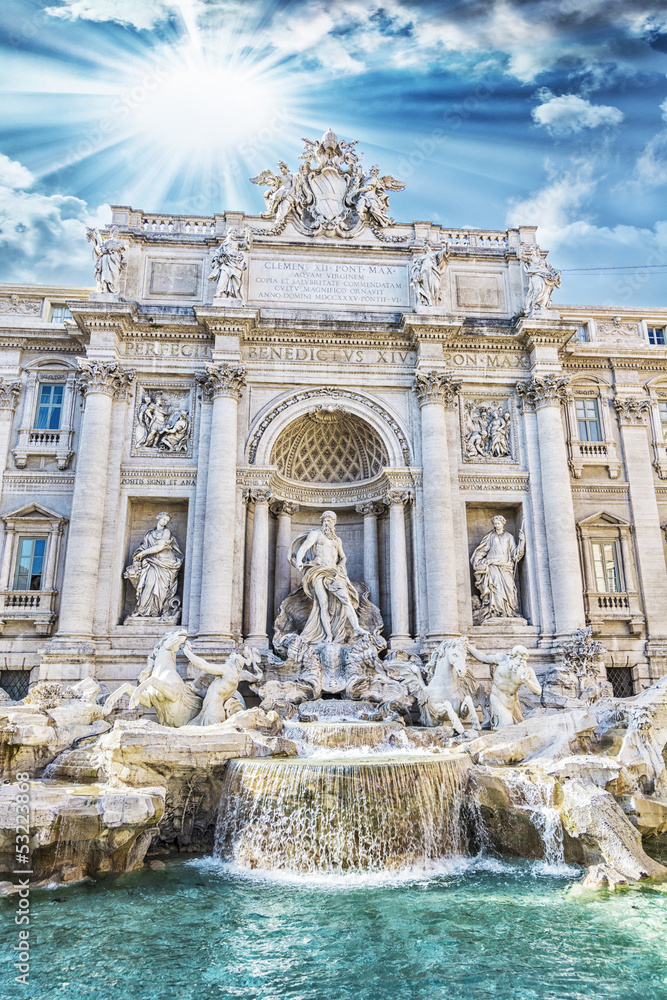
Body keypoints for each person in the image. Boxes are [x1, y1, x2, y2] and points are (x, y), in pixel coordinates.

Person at [291, 510, 366, 644]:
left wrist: (341, 567)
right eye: (325, 519)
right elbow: (304, 547)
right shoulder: (316, 534)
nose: (328, 522)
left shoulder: (337, 540)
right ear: (322, 521)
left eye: (330, 520)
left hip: (333, 572)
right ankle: (328, 635)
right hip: (318, 571)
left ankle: (356, 628)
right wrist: (299, 561)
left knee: (346, 599)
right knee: (323, 603)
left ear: (334, 522)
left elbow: (343, 556)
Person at [124, 512, 183, 620]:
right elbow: (143, 547)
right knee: (149, 583)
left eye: (166, 521)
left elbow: (159, 547)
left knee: (162, 589)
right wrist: (139, 554)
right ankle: (142, 610)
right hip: (152, 562)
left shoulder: (166, 532)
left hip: (165, 564)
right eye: (163, 519)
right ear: (158, 518)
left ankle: (156, 611)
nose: (164, 522)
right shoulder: (149, 534)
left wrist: (143, 553)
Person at [471, 515, 525, 620]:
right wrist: (477, 561)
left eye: (498, 524)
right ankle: (497, 612)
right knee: (496, 589)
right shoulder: (490, 536)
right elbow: (482, 550)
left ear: (502, 523)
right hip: (493, 566)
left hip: (506, 567)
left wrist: (522, 542)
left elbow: (515, 554)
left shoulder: (509, 537)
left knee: (509, 589)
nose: (496, 526)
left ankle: (508, 611)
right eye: (495, 524)